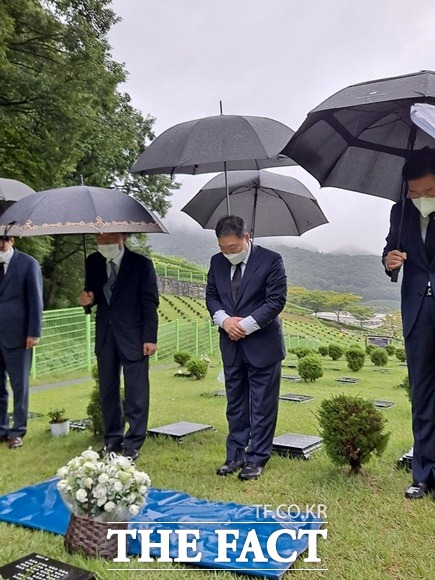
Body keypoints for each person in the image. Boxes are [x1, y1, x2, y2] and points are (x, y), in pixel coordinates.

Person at [206, 215, 287, 480]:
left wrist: (246, 325)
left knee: (262, 404)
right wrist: (225, 320)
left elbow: (276, 301)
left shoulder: (271, 260)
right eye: (223, 248)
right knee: (236, 403)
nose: (228, 253)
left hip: (262, 344)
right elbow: (212, 296)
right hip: (231, 344)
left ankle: (257, 458)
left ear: (246, 238)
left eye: (233, 248)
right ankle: (235, 456)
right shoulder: (216, 262)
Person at [383, 146, 435, 500]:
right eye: (414, 193)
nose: (421, 199)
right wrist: (390, 261)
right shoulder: (400, 212)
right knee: (422, 395)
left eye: (429, 192)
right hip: (417, 313)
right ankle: (423, 473)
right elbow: (389, 250)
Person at [78, 233, 159, 461]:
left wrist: (149, 337)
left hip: (134, 336)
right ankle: (112, 441)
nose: (104, 245)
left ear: (121, 237)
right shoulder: (92, 261)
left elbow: (150, 302)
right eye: (100, 240)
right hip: (106, 335)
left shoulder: (141, 265)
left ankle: (133, 443)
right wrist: (86, 301)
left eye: (108, 240)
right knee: (107, 391)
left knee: (136, 392)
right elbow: (93, 296)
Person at [0, 235, 43, 449]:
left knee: (19, 386)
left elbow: (36, 300)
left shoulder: (28, 264)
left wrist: (34, 332)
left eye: (2, 240)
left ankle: (17, 431)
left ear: (11, 240)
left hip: (18, 336)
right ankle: (1, 429)